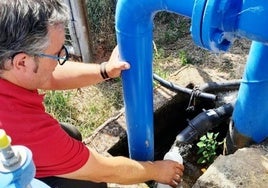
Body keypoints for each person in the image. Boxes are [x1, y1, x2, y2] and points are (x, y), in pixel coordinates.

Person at [0, 0, 184, 187]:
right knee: (91, 184)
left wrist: (105, 70)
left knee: (70, 134)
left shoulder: (10, 65)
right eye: (56, 54)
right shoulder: (23, 125)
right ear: (21, 62)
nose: (61, 59)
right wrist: (156, 170)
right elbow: (103, 170)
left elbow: (48, 75)